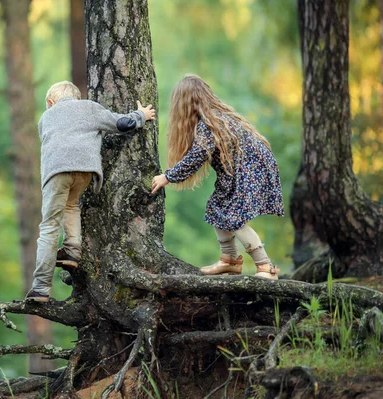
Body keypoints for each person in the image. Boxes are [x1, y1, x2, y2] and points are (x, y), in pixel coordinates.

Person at [26, 81, 156, 302]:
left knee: (49, 226)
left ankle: (40, 288)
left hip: (57, 172)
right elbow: (123, 123)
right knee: (71, 205)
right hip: (86, 171)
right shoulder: (90, 107)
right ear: (76, 98)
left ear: (50, 102)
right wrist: (141, 114)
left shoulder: (45, 118)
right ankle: (73, 250)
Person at [151, 74, 284, 280]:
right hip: (242, 170)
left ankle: (265, 267)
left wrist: (167, 177)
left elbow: (197, 157)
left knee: (234, 218)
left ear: (185, 103)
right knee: (217, 207)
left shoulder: (209, 124)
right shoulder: (216, 118)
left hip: (249, 169)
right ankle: (229, 260)